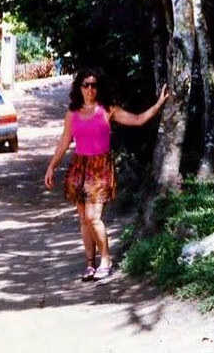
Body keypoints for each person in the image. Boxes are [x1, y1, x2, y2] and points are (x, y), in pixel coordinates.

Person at [43, 69, 170, 281]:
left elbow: (138, 119)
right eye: (85, 85)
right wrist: (51, 166)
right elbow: (64, 142)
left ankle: (106, 259)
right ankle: (90, 264)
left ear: (98, 88)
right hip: (79, 167)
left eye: (94, 85)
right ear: (79, 88)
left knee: (94, 218)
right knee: (84, 220)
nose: (90, 89)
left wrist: (158, 105)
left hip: (100, 167)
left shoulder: (107, 110)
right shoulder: (72, 114)